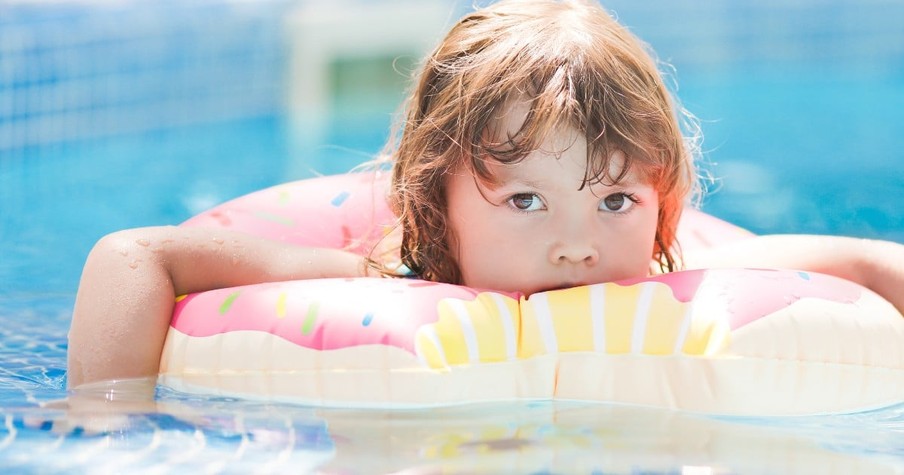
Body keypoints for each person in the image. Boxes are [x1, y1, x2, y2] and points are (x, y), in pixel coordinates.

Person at [67, 0, 904, 389]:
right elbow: (135, 254)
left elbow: (874, 260)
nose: (577, 244)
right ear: (436, 204)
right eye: (527, 202)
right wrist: (109, 426)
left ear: (663, 204)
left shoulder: (680, 275)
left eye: (615, 202)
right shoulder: (373, 279)